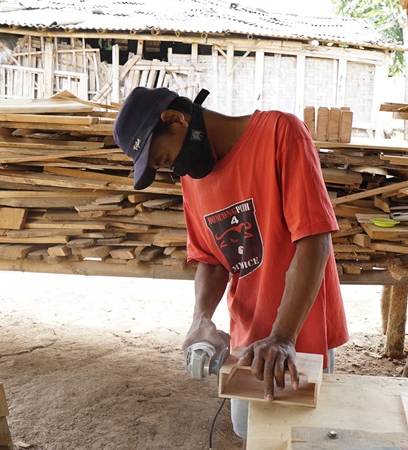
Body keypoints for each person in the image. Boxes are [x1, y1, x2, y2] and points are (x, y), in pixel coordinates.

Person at [113, 86, 348, 442]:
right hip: (248, 337)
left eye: (165, 159)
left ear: (177, 120)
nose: (176, 171)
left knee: (303, 438)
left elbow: (314, 239)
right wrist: (200, 319)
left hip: (302, 330)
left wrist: (283, 337)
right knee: (253, 434)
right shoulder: (193, 180)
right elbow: (210, 260)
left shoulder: (280, 133)